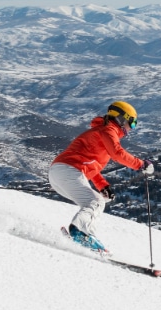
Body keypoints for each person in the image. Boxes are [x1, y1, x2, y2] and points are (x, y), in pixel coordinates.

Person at [49, 101, 154, 253]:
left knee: (94, 201)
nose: (130, 129)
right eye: (131, 124)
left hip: (60, 172)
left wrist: (102, 185)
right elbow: (118, 153)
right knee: (95, 201)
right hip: (68, 170)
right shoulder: (108, 130)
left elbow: (90, 166)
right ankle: (79, 232)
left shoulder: (102, 132)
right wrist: (141, 164)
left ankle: (86, 236)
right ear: (121, 119)